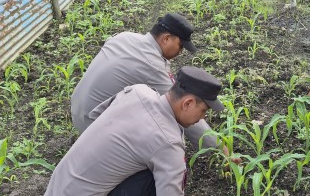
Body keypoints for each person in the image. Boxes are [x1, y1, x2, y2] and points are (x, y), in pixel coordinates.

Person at [40, 66, 241, 196]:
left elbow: (97, 116)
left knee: (138, 167)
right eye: (204, 111)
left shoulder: (137, 92)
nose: (202, 118)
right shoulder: (168, 143)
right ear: (188, 103)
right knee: (154, 182)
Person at [71, 13, 217, 153]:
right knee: (159, 129)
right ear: (166, 38)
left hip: (78, 110)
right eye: (180, 46)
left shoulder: (124, 37)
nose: (181, 52)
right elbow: (181, 107)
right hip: (93, 127)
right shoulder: (151, 66)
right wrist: (220, 149)